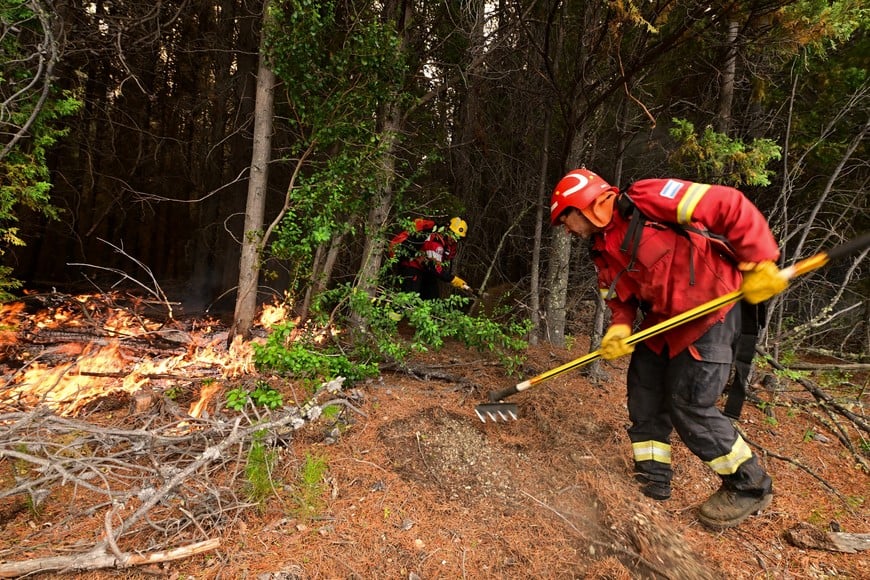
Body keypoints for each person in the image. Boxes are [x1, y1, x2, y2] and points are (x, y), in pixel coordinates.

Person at [549, 167, 788, 529]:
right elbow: (619, 298)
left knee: (689, 403)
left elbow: (728, 204)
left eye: (565, 218)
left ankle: (749, 485)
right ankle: (653, 478)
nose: (566, 229)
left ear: (583, 206)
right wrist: (619, 327)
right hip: (663, 322)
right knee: (644, 394)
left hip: (712, 311)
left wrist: (760, 261)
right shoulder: (599, 248)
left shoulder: (646, 198)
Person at [391, 216, 472, 300]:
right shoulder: (436, 242)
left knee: (432, 297)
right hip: (411, 266)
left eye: (458, 237)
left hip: (424, 269)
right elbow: (436, 269)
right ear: (447, 229)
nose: (454, 239)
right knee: (409, 298)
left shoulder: (446, 243)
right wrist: (455, 280)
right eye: (453, 234)